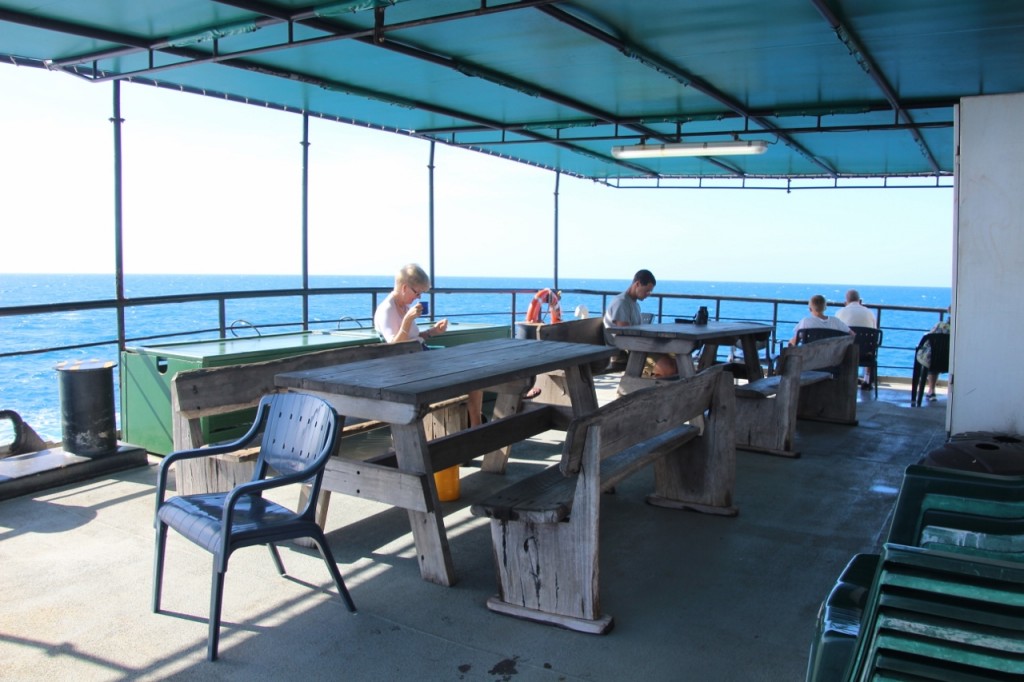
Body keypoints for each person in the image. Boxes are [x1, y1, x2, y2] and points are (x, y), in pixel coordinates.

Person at [375, 263, 483, 427]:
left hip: (420, 359)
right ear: (405, 287)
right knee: (471, 375)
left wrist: (432, 332)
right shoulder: (387, 310)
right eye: (417, 292)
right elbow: (393, 347)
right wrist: (407, 321)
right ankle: (477, 426)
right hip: (409, 368)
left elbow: (413, 338)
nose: (418, 298)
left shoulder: (403, 306)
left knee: (474, 372)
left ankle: (476, 424)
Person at [603, 269, 677, 378]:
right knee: (669, 369)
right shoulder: (621, 303)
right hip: (625, 352)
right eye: (647, 290)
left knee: (676, 358)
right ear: (637, 284)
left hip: (636, 346)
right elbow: (625, 335)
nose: (649, 294)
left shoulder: (634, 304)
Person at [835, 289, 878, 388]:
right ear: (860, 301)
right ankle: (867, 380)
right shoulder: (870, 313)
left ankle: (844, 378)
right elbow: (875, 333)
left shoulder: (840, 312)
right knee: (870, 348)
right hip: (865, 354)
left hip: (845, 353)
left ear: (846, 301)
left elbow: (836, 334)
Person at [788, 294, 854, 346]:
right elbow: (852, 335)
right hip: (832, 360)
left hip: (810, 360)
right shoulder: (836, 321)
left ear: (810, 309)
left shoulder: (805, 322)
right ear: (825, 307)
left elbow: (795, 342)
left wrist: (790, 342)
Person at [916, 309, 951, 401]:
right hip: (951, 362)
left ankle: (931, 390)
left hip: (935, 361)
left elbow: (927, 339)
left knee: (931, 356)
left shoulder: (940, 325)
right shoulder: (961, 329)